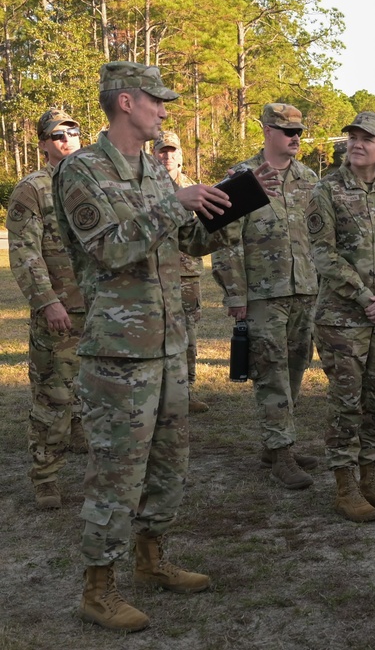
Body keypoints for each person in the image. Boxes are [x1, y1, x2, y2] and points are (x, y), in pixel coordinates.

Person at [53, 61, 274, 632]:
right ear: (126, 102)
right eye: (157, 101)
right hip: (118, 353)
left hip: (170, 344)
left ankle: (152, 560)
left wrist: (232, 204)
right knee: (117, 474)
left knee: (169, 464)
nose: (164, 111)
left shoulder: (155, 171)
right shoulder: (82, 171)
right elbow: (107, 249)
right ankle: (98, 589)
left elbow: (186, 242)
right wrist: (176, 203)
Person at [308, 111, 375, 522]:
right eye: (352, 136)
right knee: (346, 402)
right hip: (342, 319)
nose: (356, 142)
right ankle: (345, 486)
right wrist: (366, 295)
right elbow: (324, 254)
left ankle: (372, 479)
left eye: (367, 138)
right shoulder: (327, 191)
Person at [211, 103, 320, 490]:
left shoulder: (309, 179)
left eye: (299, 132)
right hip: (261, 294)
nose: (295, 138)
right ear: (266, 131)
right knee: (269, 370)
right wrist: (235, 294)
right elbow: (225, 241)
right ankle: (283, 453)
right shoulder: (243, 178)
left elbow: (319, 237)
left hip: (304, 289)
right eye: (287, 131)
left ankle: (276, 445)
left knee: (294, 366)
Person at [7, 108, 87, 510]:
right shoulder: (33, 188)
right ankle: (45, 477)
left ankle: (83, 438)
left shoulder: (95, 184)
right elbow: (25, 253)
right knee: (53, 396)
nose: (67, 138)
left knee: (98, 392)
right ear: (42, 144)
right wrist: (48, 301)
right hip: (60, 312)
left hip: (102, 310)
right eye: (58, 134)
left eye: (73, 131)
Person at [154, 130, 209, 413]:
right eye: (162, 150)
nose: (167, 155)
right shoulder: (146, 187)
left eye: (172, 150)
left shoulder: (195, 189)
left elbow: (207, 231)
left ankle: (186, 391)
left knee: (188, 335)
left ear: (181, 156)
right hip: (155, 274)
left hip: (187, 275)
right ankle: (160, 394)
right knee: (156, 335)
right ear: (153, 154)